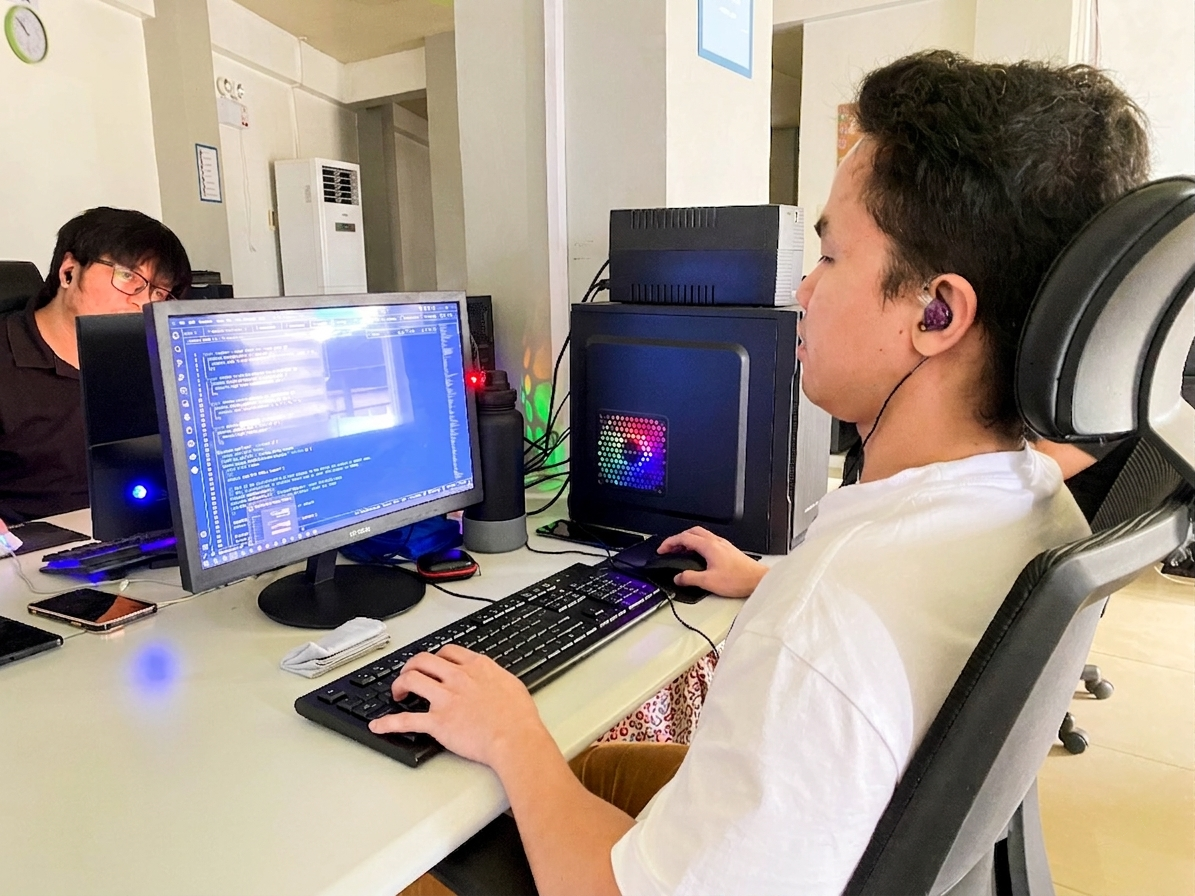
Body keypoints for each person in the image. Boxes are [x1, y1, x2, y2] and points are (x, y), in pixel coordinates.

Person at [376, 51, 1151, 895]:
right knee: (589, 764)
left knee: (390, 859)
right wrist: (768, 580)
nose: (802, 292)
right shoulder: (1031, 502)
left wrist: (510, 730)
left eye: (829, 258)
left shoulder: (825, 629)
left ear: (935, 311)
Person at [0, 207, 190, 527]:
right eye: (129, 276)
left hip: (140, 537)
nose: (143, 303)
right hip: (27, 553)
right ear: (69, 271)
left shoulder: (157, 359)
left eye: (160, 292)